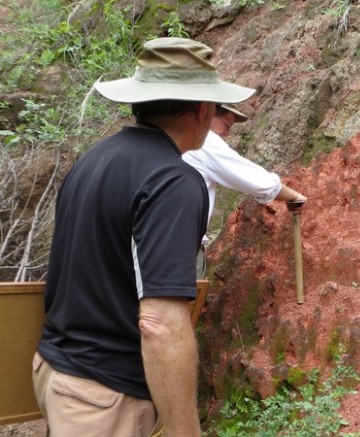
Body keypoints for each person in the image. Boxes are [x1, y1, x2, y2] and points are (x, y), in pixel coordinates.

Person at [32, 37, 254, 437]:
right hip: (104, 396)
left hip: (55, 372)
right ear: (203, 109)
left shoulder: (94, 160)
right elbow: (160, 324)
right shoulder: (174, 181)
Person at [182, 104, 307, 275]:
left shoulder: (176, 137)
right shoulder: (203, 141)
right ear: (207, 113)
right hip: (178, 248)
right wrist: (293, 195)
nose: (227, 133)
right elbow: (258, 182)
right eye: (226, 125)